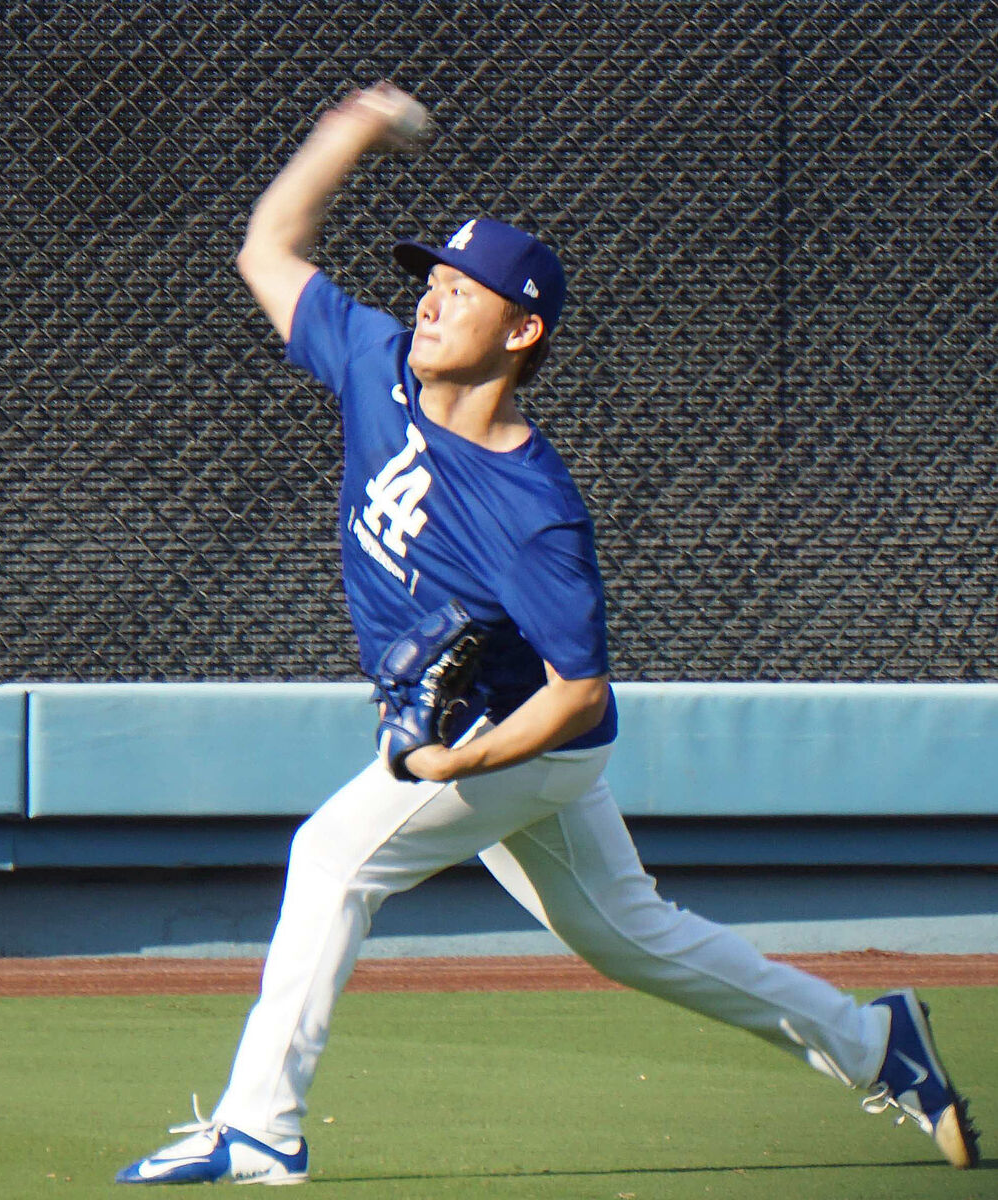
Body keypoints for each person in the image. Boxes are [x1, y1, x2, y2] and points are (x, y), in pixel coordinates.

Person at [116, 82, 978, 1185]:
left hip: (523, 739)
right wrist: (348, 132)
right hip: (484, 735)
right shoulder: (373, 365)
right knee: (629, 936)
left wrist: (456, 761)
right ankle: (873, 1040)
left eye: (457, 292)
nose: (427, 303)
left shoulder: (532, 506)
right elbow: (267, 249)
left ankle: (259, 1129)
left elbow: (575, 690)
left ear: (519, 331)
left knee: (331, 857)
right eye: (426, 283)